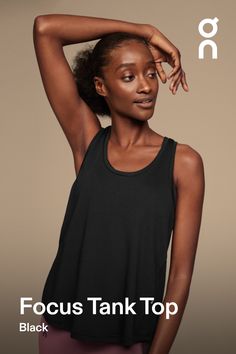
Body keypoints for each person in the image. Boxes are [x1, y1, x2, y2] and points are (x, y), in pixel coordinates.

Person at [33, 14, 205, 354]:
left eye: (151, 73)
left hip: (129, 338)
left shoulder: (183, 162)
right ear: (101, 86)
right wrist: (145, 31)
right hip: (60, 330)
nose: (146, 86)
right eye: (128, 76)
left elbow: (180, 276)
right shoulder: (88, 142)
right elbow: (45, 30)